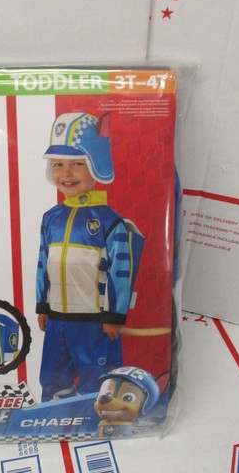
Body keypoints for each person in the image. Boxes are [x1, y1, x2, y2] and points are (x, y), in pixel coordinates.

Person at [36, 112, 144, 402]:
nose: (66, 173)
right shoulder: (51, 218)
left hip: (94, 321)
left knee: (96, 377)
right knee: (52, 376)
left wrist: (114, 317)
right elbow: (43, 263)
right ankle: (54, 412)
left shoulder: (110, 221)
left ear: (97, 164)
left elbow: (121, 272)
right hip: (57, 319)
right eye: (58, 164)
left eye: (77, 164)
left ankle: (94, 414)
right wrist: (42, 305)